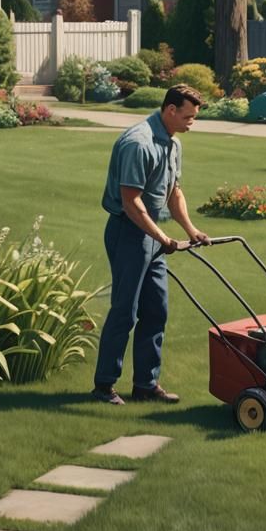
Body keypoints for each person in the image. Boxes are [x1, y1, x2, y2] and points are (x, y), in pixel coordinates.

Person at [92, 83, 211, 405]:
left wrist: (190, 230)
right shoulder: (138, 143)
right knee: (125, 312)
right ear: (170, 110)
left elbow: (174, 191)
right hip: (128, 232)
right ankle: (104, 385)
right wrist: (162, 237)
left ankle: (146, 384)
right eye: (188, 117)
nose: (191, 123)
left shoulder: (172, 142)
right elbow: (131, 203)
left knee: (156, 310)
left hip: (153, 236)